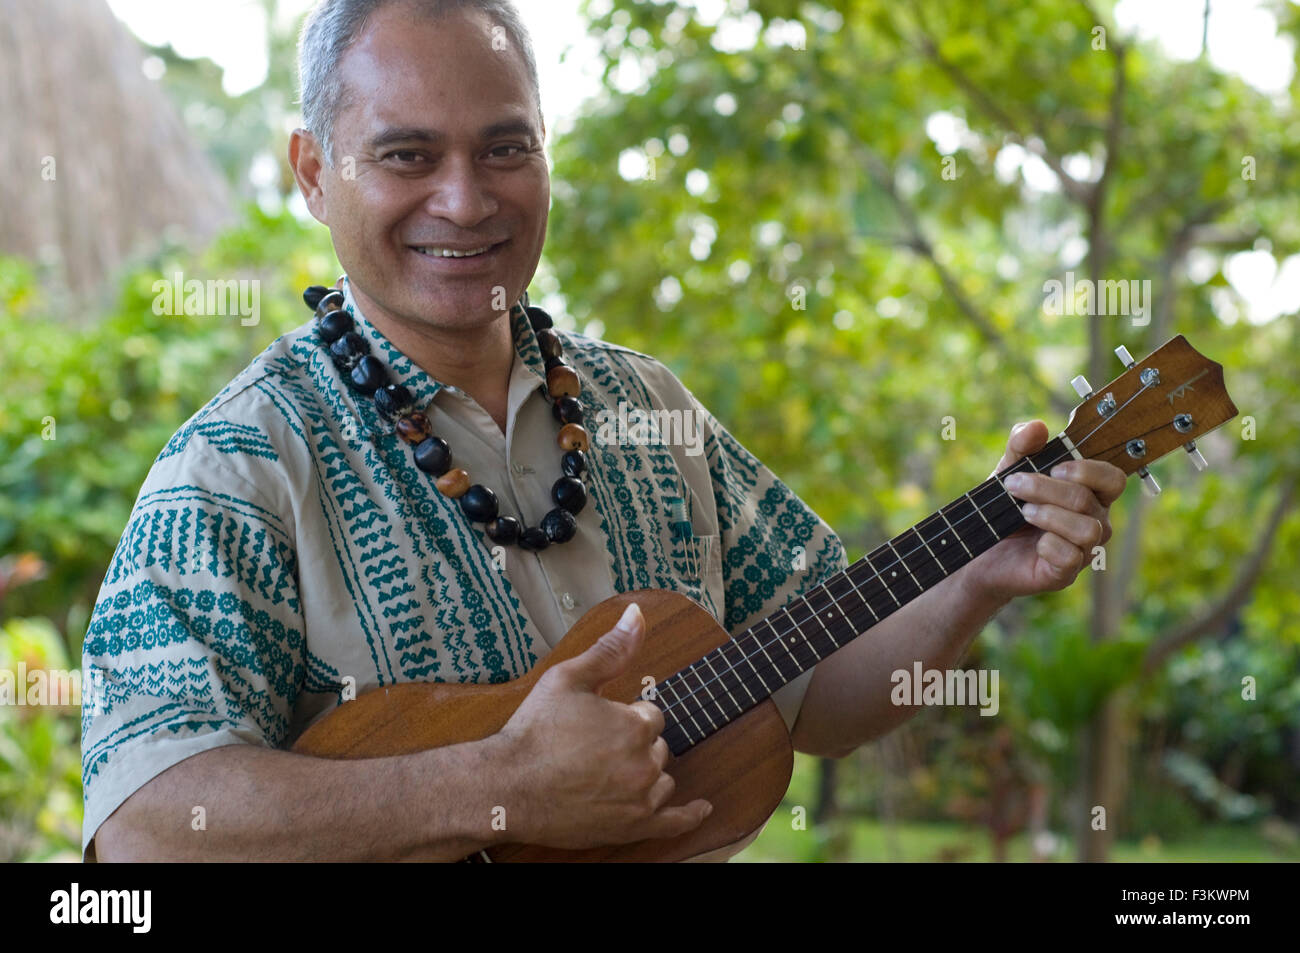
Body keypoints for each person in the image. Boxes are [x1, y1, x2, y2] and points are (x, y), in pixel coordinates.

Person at [82, 0, 1125, 862]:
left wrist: (978, 574)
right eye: (406, 154)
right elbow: (144, 824)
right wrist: (501, 785)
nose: (464, 197)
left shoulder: (649, 410)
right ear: (313, 171)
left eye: (504, 149)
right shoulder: (238, 463)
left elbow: (818, 695)